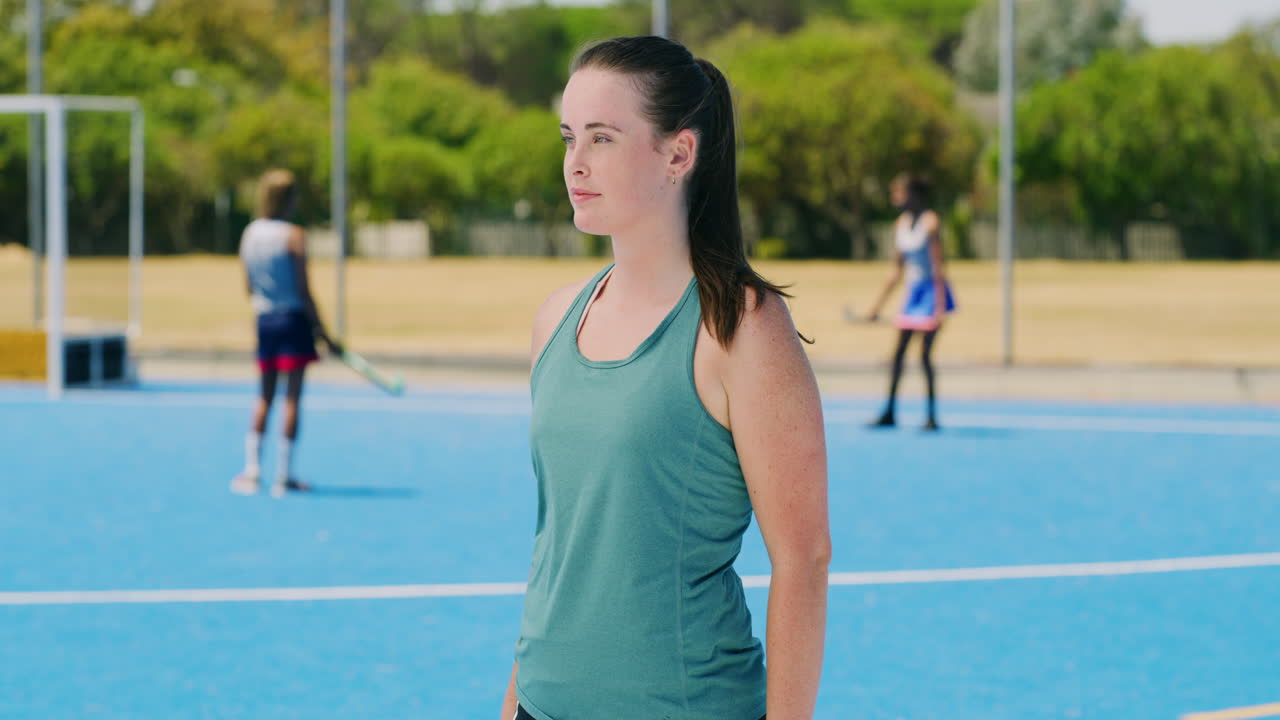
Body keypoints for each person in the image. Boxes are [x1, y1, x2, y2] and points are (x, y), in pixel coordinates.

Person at [502, 36, 830, 720]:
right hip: (542, 703)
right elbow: (558, 549)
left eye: (603, 139)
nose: (575, 164)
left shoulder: (741, 328)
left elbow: (803, 561)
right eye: (569, 138)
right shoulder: (556, 319)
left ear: (679, 153)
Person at [229, 169, 338, 497]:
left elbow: (248, 286)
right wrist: (322, 330)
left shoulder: (249, 234)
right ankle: (284, 476)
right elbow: (305, 289)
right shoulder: (293, 236)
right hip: (292, 320)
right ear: (289, 199)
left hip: (264, 320)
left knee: (264, 395)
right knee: (291, 397)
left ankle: (251, 471)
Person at [865, 173, 956, 431]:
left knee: (925, 356)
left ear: (913, 195)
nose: (896, 198)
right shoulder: (901, 224)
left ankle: (931, 416)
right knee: (898, 354)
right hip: (912, 294)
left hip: (931, 293)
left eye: (899, 193)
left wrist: (939, 307)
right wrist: (877, 307)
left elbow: (939, 267)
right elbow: (896, 271)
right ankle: (889, 412)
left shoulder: (930, 222)